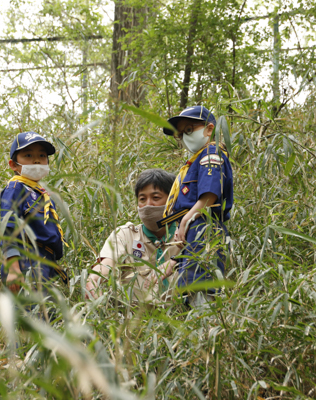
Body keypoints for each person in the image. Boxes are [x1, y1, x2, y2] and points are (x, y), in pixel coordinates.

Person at [158, 105, 234, 306]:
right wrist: (175, 259)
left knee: (202, 292)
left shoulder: (211, 153)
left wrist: (185, 219)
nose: (185, 137)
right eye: (181, 134)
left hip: (204, 230)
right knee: (190, 293)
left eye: (189, 130)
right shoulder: (193, 161)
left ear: (209, 129)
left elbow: (209, 196)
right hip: (193, 235)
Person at [85, 169, 180, 302]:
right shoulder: (125, 235)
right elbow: (107, 264)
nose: (148, 205)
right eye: (142, 199)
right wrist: (93, 279)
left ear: (172, 200)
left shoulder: (188, 234)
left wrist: (177, 260)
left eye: (156, 198)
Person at [0, 131, 68, 295]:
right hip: (27, 261)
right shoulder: (15, 188)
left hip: (45, 262)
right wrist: (14, 267)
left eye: (42, 155)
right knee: (31, 315)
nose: (37, 160)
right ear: (13, 165)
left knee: (47, 315)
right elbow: (8, 227)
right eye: (28, 155)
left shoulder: (40, 193)